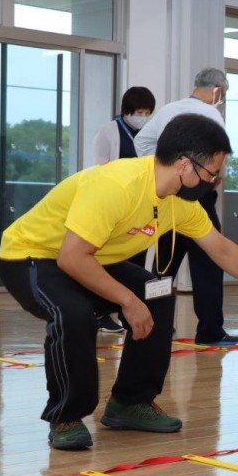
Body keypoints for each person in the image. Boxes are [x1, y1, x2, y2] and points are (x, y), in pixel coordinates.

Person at [0, 114, 238, 450]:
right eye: (213, 173)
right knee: (73, 314)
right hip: (31, 256)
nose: (216, 181)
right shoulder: (118, 186)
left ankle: (130, 402)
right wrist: (128, 302)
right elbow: (71, 258)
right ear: (185, 166)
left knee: (158, 293)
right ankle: (66, 416)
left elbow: (223, 250)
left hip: (92, 259)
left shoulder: (179, 202)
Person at [135, 69, 238, 346]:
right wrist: (213, 178)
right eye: (223, 93)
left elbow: (141, 141)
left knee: (163, 264)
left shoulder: (169, 109)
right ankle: (210, 330)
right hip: (198, 196)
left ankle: (156, 326)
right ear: (218, 89)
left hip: (170, 194)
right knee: (208, 262)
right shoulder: (212, 115)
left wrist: (161, 170)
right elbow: (220, 156)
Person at [91, 86, 156, 333]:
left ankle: (131, 313)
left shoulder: (150, 134)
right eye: (139, 111)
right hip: (116, 205)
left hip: (139, 205)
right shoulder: (109, 131)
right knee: (113, 261)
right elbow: (100, 167)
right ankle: (102, 312)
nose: (143, 116)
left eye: (148, 111)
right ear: (127, 111)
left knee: (136, 262)